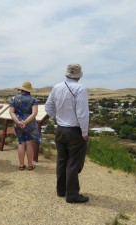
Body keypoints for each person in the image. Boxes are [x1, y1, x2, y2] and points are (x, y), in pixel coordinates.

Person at [45, 64, 89, 204]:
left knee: (62, 160)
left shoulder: (57, 87)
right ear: (79, 75)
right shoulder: (80, 89)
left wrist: (57, 117)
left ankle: (61, 190)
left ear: (67, 74)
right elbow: (82, 114)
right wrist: (85, 132)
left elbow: (48, 107)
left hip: (60, 129)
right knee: (74, 163)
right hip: (74, 130)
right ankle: (72, 195)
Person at [9, 81, 41, 170]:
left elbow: (11, 112)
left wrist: (18, 122)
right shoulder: (33, 99)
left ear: (22, 89)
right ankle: (30, 165)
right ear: (29, 90)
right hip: (29, 123)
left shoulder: (14, 98)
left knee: (21, 143)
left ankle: (21, 165)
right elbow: (34, 113)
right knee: (29, 144)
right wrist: (25, 122)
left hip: (18, 122)